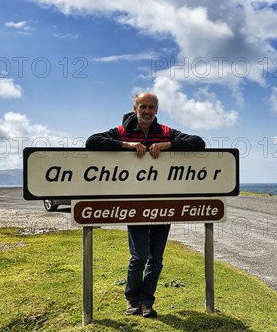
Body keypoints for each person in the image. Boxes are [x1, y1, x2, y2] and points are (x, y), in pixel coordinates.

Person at [86, 92, 205, 318]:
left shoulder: (166, 132)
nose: (147, 111)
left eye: (151, 107)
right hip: (136, 205)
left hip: (163, 204)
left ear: (157, 110)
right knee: (139, 256)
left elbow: (198, 142)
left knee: (156, 259)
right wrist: (128, 145)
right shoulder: (122, 130)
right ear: (135, 108)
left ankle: (146, 302)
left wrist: (168, 145)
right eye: (143, 107)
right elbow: (92, 142)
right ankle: (131, 299)